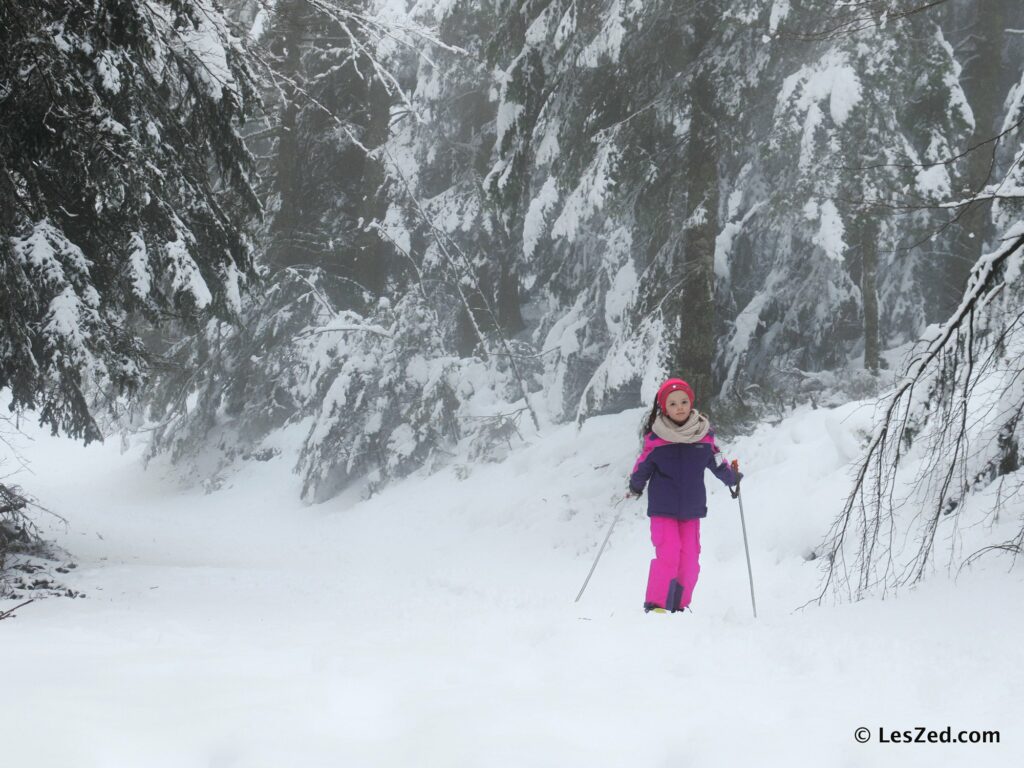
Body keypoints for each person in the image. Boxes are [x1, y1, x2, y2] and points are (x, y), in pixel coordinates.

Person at [627, 378, 742, 613]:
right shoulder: (657, 441)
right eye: (672, 404)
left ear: (690, 403)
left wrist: (732, 478)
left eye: (683, 401)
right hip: (663, 510)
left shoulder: (704, 438)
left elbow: (718, 464)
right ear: (664, 409)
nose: (679, 407)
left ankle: (678, 607)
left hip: (691, 510)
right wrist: (635, 486)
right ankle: (657, 606)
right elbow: (642, 468)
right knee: (669, 555)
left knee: (690, 562)